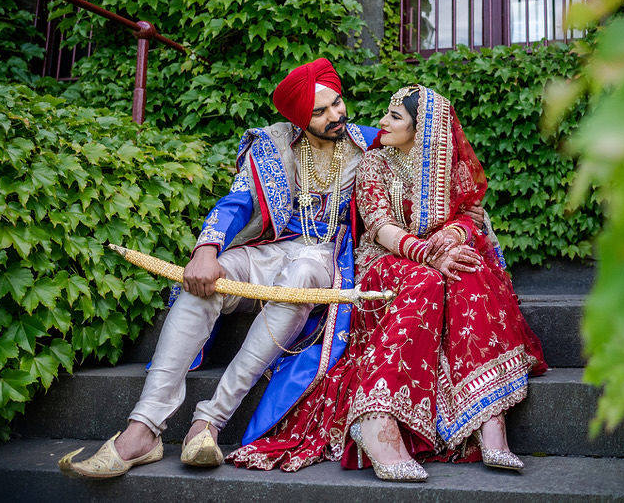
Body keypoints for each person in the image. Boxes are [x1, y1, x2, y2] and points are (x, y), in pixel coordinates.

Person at [59, 58, 381, 478]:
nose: (335, 115)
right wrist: (207, 249)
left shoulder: (371, 146)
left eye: (336, 103)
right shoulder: (273, 144)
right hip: (268, 249)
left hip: (323, 258)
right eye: (319, 112)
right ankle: (143, 429)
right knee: (205, 282)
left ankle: (208, 421)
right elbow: (236, 202)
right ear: (301, 120)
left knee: (300, 277)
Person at [229, 84, 547, 481]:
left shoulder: (447, 162)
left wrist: (452, 239)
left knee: (472, 274)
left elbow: (470, 211)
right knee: (427, 282)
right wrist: (431, 252)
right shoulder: (374, 163)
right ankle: (376, 418)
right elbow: (379, 226)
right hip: (385, 261)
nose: (381, 121)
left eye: (395, 116)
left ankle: (489, 420)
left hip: (438, 255)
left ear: (423, 128)